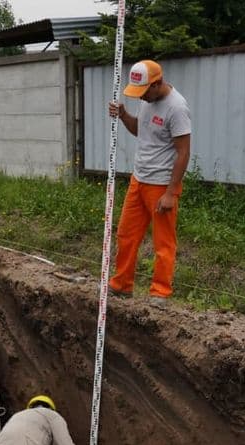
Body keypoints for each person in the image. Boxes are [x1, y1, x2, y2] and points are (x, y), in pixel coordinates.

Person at [107, 59, 192, 305]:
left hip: (161, 186)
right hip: (139, 180)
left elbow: (183, 152)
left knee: (163, 243)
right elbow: (141, 131)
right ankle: (122, 285)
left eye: (144, 92)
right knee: (126, 234)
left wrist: (171, 192)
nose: (140, 98)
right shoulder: (148, 102)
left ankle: (160, 292)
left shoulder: (176, 108)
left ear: (157, 84)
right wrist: (123, 116)